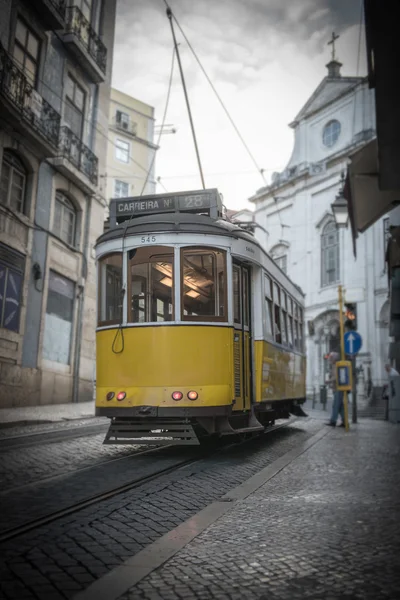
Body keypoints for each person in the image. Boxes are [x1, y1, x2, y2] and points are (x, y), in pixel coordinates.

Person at [326, 351, 345, 427]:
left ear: (334, 359)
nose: (329, 359)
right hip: (336, 388)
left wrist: (329, 381)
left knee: (336, 405)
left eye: (330, 358)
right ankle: (345, 421)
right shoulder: (335, 365)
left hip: (338, 388)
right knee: (340, 407)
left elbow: (336, 377)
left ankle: (333, 421)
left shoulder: (336, 366)